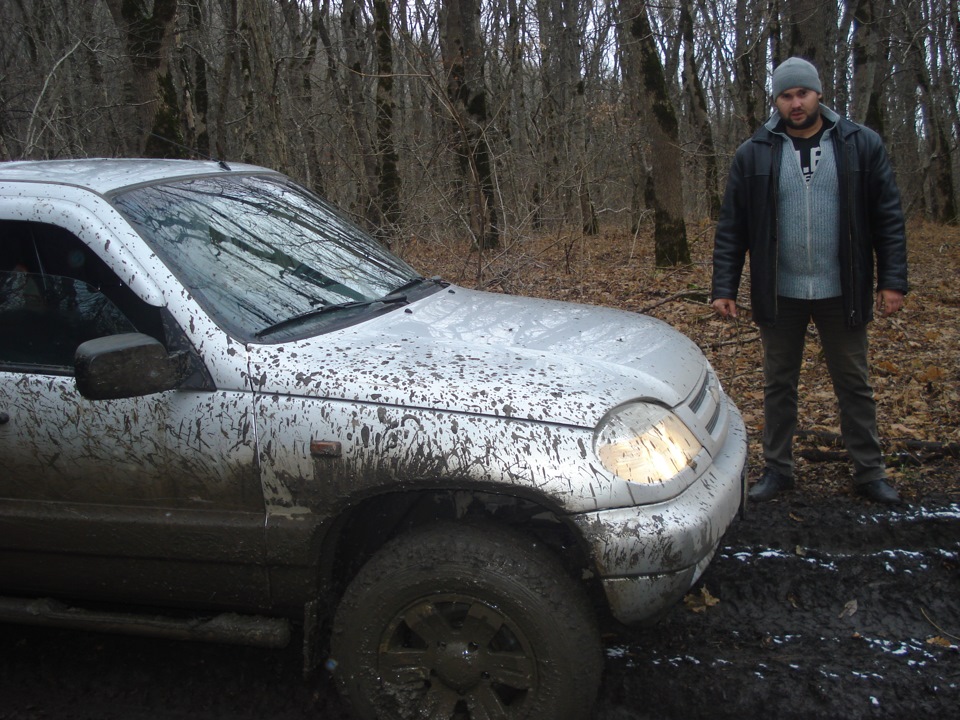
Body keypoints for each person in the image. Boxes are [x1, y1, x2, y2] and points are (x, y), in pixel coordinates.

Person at [711, 56, 908, 504]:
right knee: (778, 383)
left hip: (844, 288)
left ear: (819, 93)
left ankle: (869, 472)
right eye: (786, 95)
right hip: (781, 291)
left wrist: (892, 281)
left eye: (803, 93)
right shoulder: (755, 152)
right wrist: (725, 285)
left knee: (853, 383)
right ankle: (778, 469)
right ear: (776, 100)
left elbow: (888, 217)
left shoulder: (860, 144)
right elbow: (733, 226)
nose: (796, 103)